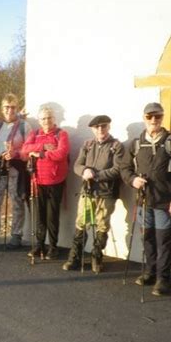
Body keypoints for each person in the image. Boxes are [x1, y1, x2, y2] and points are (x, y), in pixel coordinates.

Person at [120, 102, 171, 295]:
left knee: (163, 241)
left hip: (165, 202)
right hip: (143, 201)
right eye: (149, 116)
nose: (153, 120)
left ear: (162, 117)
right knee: (147, 238)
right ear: (144, 118)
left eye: (157, 116)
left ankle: (162, 279)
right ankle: (150, 271)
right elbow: (125, 168)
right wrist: (133, 180)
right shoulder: (136, 142)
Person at [62, 115, 124, 273]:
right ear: (93, 129)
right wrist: (85, 170)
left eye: (103, 126)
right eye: (97, 127)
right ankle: (75, 257)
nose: (100, 129)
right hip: (88, 191)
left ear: (109, 127)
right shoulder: (88, 145)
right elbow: (77, 165)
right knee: (81, 222)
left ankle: (97, 256)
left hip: (106, 192)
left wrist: (96, 175)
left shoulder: (116, 146)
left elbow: (118, 169)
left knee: (102, 225)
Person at [21, 104, 70, 260]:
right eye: (43, 118)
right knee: (39, 215)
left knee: (52, 216)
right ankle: (39, 245)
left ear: (54, 119)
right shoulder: (35, 134)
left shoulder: (61, 134)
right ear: (39, 120)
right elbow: (24, 150)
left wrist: (40, 155)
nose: (46, 121)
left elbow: (61, 154)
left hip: (55, 180)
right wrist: (42, 147)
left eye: (49, 117)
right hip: (37, 180)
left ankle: (53, 246)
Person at [0, 93, 32, 248]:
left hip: (16, 168)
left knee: (17, 201)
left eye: (13, 107)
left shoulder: (24, 126)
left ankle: (16, 234)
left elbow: (29, 149)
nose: (10, 110)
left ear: (17, 108)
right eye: (7, 107)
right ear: (2, 108)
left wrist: (16, 154)